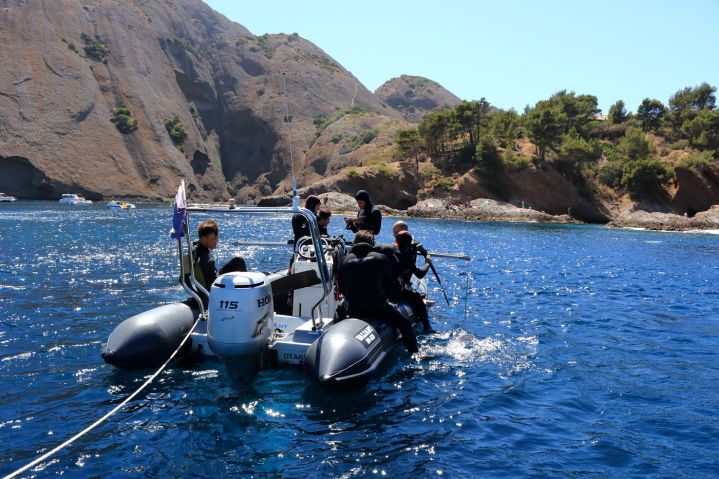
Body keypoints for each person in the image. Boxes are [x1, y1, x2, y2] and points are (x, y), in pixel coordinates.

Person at [337, 230, 418, 354]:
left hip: (352, 309)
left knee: (339, 308)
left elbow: (341, 288)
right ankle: (415, 353)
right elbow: (391, 285)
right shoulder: (381, 258)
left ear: (354, 242)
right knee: (405, 324)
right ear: (372, 243)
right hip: (377, 308)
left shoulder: (344, 261)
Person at [188, 219, 247, 292]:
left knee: (238, 261)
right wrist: (197, 296)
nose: (217, 241)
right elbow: (183, 278)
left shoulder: (206, 247)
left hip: (217, 279)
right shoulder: (194, 252)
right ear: (203, 239)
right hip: (213, 289)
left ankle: (246, 289)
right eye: (214, 238)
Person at [394, 231, 434, 333]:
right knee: (416, 297)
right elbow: (419, 274)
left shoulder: (392, 252)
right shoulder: (406, 257)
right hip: (398, 290)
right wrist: (427, 263)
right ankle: (427, 327)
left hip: (388, 288)